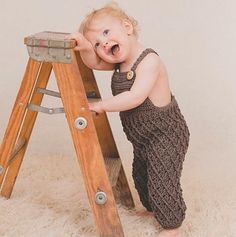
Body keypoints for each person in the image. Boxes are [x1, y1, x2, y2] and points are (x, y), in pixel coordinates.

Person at [66, 2, 190, 237]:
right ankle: (154, 209)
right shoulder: (118, 63)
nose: (103, 44)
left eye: (106, 33)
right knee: (142, 177)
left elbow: (135, 97)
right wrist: (84, 46)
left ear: (127, 27)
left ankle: (173, 225)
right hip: (142, 137)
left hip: (166, 133)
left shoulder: (149, 61)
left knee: (163, 179)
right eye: (97, 43)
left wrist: (102, 105)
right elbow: (93, 62)